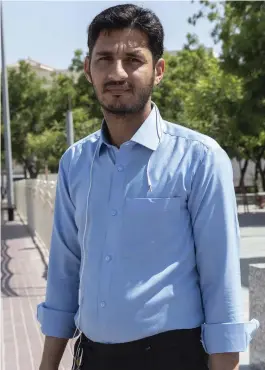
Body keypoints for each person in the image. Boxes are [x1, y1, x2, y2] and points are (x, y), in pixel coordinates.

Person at [37, 4, 259, 370]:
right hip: (92, 357)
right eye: (104, 59)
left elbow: (221, 290)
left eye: (133, 60)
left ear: (158, 71)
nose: (117, 73)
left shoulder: (200, 159)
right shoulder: (75, 163)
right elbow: (64, 275)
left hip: (173, 357)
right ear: (87, 71)